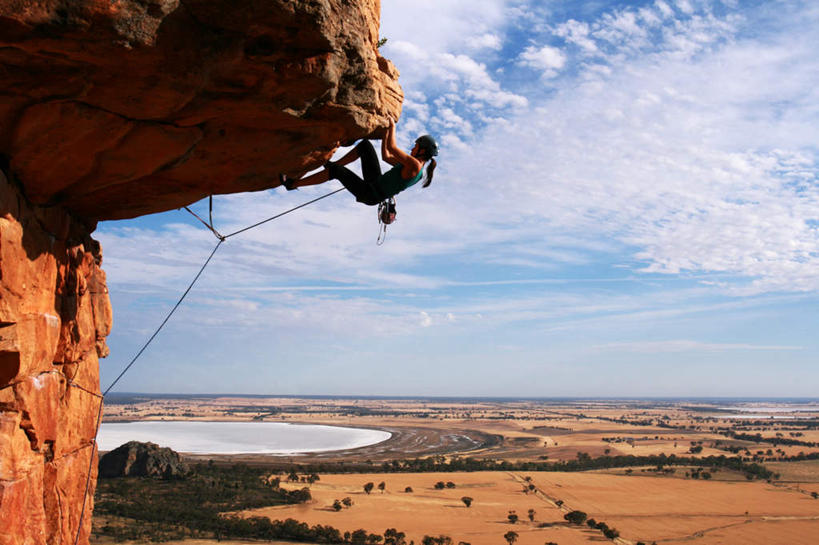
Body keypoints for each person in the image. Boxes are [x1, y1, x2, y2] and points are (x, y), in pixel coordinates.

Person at [279, 118, 438, 205]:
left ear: (422, 150)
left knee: (336, 173)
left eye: (416, 146)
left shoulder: (414, 166)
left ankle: (292, 184)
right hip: (375, 182)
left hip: (370, 194)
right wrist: (384, 134)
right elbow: (386, 156)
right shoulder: (414, 167)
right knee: (365, 146)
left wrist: (391, 126)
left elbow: (392, 147)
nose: (412, 148)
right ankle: (333, 164)